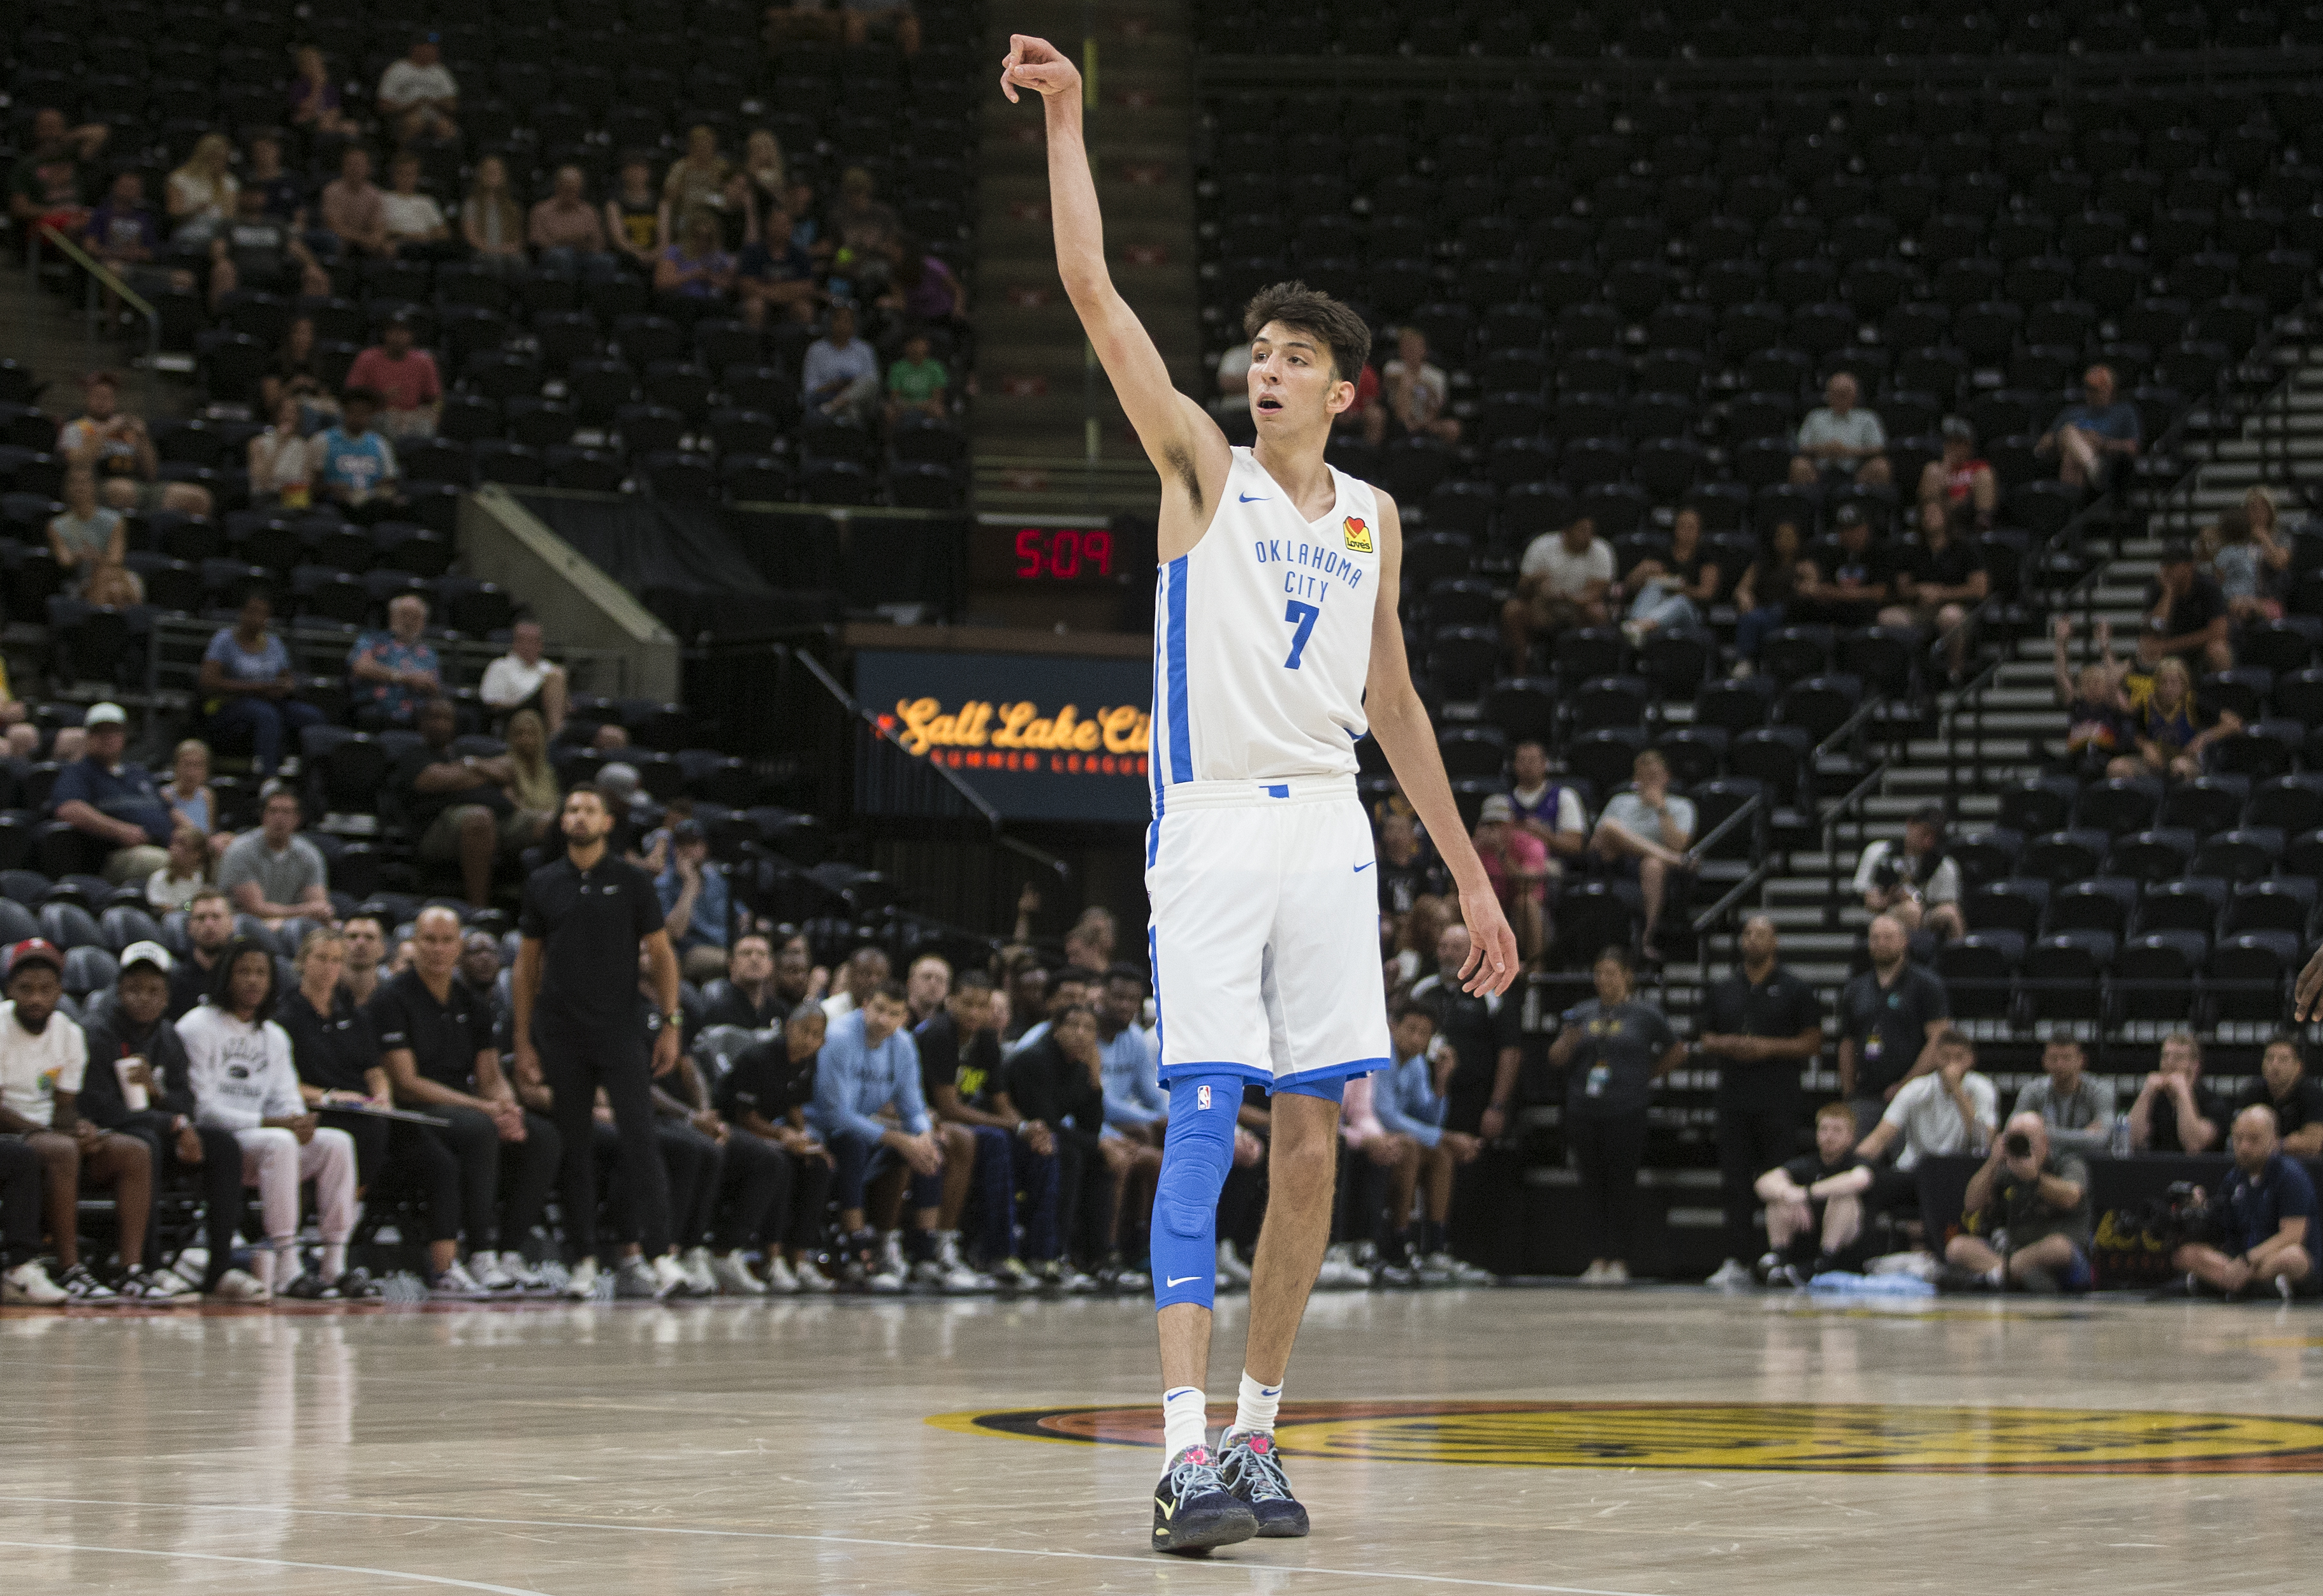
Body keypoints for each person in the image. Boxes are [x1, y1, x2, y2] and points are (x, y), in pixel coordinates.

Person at [1007, 31, 1518, 1557]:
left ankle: (1255, 1432)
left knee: (1311, 1142)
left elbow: (1395, 703)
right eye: (1258, 350)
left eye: (1294, 356)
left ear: (1342, 390)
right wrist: (1071, 116)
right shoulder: (1195, 466)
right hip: (1216, 817)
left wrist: (1473, 876)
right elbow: (1094, 292)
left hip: (1331, 825)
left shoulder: (1371, 519)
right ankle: (1176, 1454)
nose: (1265, 366)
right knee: (1199, 1117)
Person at [512, 784, 689, 1302]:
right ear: (563, 821)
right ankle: (583, 1260)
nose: (579, 817)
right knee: (575, 1147)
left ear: (609, 822)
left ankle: (661, 1258)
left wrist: (671, 1021)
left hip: (620, 1030)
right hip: (561, 1032)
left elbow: (661, 956)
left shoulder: (634, 881)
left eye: (590, 810)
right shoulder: (543, 883)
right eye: (572, 809)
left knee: (641, 1140)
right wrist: (523, 1041)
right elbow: (526, 968)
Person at [372, 906, 560, 1294]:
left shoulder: (471, 1002)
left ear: (458, 946)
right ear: (414, 944)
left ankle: (510, 1252)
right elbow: (406, 1083)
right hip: (415, 1112)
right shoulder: (392, 997)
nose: (438, 949)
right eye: (429, 940)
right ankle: (480, 1253)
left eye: (446, 941)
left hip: (464, 1106)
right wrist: (484, 1109)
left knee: (542, 1136)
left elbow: (490, 1076)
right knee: (479, 1129)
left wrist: (509, 1108)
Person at [179, 935, 367, 1300]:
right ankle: (286, 1264)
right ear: (225, 977)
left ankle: (334, 1263)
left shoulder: (274, 1035)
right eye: (244, 972)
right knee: (280, 1141)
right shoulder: (197, 1026)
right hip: (220, 1144)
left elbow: (286, 1097)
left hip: (266, 1141)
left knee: (337, 1142)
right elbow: (203, 1108)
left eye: (261, 973)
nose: (253, 981)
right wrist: (275, 1125)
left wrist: (299, 1119)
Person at [78, 940, 246, 1297]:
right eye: (135, 988)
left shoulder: (168, 1036)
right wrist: (173, 1123)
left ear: (167, 996)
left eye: (154, 990)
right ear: (119, 991)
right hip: (114, 1138)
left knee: (225, 1147)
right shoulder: (97, 1033)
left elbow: (186, 1100)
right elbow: (100, 1108)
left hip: (163, 1133)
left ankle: (219, 1268)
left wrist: (159, 1096)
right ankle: (149, 1267)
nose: (144, 998)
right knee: (147, 1145)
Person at [0, 938, 156, 1302]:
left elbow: (65, 1105)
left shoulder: (69, 1033)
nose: (36, 998)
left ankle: (129, 1269)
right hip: (11, 1134)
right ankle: (70, 1268)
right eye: (26, 989)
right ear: (10, 990)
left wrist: (81, 1127)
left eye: (45, 989)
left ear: (60, 991)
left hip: (49, 1133)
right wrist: (44, 1131)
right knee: (64, 1151)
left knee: (134, 1151)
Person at [1698, 915, 1826, 1288]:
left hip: (1779, 1098)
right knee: (1735, 1182)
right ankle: (1737, 1259)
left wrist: (1767, 1047)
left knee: (1780, 1179)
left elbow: (1813, 1042)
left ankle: (1781, 1256)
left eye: (1761, 933)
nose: (1752, 939)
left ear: (1776, 941)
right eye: (1747, 933)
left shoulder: (1796, 989)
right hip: (1734, 1098)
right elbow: (1705, 1038)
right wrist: (1732, 1045)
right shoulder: (1724, 988)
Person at [1546, 947, 1683, 1286]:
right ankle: (1596, 1260)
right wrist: (1567, 1040)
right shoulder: (1583, 1013)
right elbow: (1556, 1058)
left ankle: (1620, 1258)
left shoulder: (1644, 1014)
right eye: (1598, 973)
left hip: (1626, 1110)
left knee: (1621, 1186)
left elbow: (1677, 1049)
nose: (1603, 980)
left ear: (1626, 976)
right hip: (1585, 1108)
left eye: (1610, 973)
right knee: (1592, 1186)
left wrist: (1648, 1075)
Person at [919, 969, 1060, 1286]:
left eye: (982, 1006)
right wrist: (1010, 1126)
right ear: (950, 1002)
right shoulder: (940, 1034)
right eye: (967, 1004)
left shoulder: (985, 1040)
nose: (975, 1013)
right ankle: (992, 1252)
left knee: (1045, 1144)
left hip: (966, 1125)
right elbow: (948, 1107)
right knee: (996, 1140)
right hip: (931, 1122)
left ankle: (1042, 1254)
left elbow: (1001, 1102)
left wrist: (1026, 1127)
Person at [808, 980, 947, 1289]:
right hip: (820, 1126)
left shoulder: (904, 1045)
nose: (883, 1020)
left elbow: (913, 1108)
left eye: (893, 1014)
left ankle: (924, 1253)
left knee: (930, 1151)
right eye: (879, 1009)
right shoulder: (840, 1037)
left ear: (904, 1018)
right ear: (865, 1006)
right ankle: (857, 1251)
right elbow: (838, 1115)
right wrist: (900, 1139)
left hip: (866, 1126)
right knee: (853, 1145)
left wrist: (923, 1136)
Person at [1005, 999, 1146, 1284]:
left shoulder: (1080, 1067)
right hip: (1015, 1135)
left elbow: (1090, 1126)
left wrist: (1095, 1079)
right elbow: (1046, 1121)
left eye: (1089, 1028)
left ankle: (1097, 1257)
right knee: (1071, 1154)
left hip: (1048, 1138)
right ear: (1056, 1029)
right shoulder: (1035, 1060)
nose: (1081, 1034)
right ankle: (1051, 1254)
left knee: (1098, 1160)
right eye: (1074, 1026)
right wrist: (1099, 1144)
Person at [714, 1004, 838, 1291]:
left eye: (817, 1035)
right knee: (779, 1161)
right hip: (731, 1127)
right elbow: (745, 1117)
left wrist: (804, 1138)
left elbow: (794, 1105)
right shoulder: (758, 1058)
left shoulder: (808, 1062)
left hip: (767, 1131)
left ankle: (799, 1258)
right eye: (804, 1031)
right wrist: (784, 1136)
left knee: (818, 1164)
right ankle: (766, 1258)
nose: (809, 1040)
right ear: (788, 1028)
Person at [1366, 1000, 1480, 1277]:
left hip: (1401, 1139)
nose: (1417, 1038)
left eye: (1424, 1033)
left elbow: (1429, 1120)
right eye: (1411, 1029)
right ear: (1394, 1028)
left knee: (1440, 1155)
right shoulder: (1382, 1057)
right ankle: (1398, 1244)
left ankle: (1435, 1248)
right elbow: (1387, 1116)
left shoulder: (1417, 1063)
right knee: (1412, 1148)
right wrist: (1445, 1136)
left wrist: (1442, 1082)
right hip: (1369, 1134)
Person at [393, 699, 532, 908]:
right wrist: (484, 773)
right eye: (434, 717)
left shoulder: (464, 754)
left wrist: (471, 765)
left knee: (551, 822)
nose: (440, 723)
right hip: (437, 829)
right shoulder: (413, 755)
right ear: (421, 723)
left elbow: (507, 770)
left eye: (446, 718)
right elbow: (435, 779)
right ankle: (479, 911)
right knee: (479, 819)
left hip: (499, 817)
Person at [2168, 1104, 2315, 1300]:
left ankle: (2230, 1284)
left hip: (2268, 1257)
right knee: (2186, 1255)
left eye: (2253, 1139)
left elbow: (2292, 1235)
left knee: (2294, 1257)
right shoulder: (2233, 1179)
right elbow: (2220, 1232)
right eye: (2239, 1138)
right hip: (2238, 1261)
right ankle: (2257, 1286)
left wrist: (2249, 1260)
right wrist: (2200, 1207)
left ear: (2272, 1140)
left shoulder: (2291, 1175)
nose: (2244, 1147)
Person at [1942, 1112, 2094, 1293]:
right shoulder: (2007, 1168)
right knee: (1957, 1247)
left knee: (2058, 1247)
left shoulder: (2067, 1162)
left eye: (2026, 1141)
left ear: (2045, 1143)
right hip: (2011, 1250)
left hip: (2062, 1255)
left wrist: (2035, 1178)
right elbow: (1971, 1205)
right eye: (2015, 1140)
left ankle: (1998, 1274)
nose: (2021, 1147)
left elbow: (2071, 1197)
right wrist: (1993, 1162)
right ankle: (2019, 1276)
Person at [1835, 913, 1952, 1135]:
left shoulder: (1927, 984)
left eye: (1888, 937)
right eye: (1875, 938)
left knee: (1907, 1165)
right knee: (1861, 1160)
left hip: (1915, 1094)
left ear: (1904, 940)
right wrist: (1849, 1092)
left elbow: (1939, 1039)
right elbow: (1847, 1043)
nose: (1881, 944)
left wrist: (1906, 1084)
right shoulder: (1856, 989)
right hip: (1866, 1094)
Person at [199, 589, 324, 778]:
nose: (256, 618)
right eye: (252, 611)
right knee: (266, 715)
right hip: (230, 705)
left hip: (270, 700)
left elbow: (286, 677)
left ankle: (309, 775)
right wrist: (258, 688)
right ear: (242, 613)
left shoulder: (275, 644)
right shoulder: (224, 640)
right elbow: (208, 681)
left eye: (262, 613)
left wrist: (286, 686)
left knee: (313, 716)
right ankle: (269, 777)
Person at [1854, 1031, 1997, 1190]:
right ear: (1936, 1057)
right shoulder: (1916, 1089)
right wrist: (1852, 1164)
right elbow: (1881, 1138)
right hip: (1915, 1170)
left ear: (1971, 1059)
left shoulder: (1983, 1089)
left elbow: (1984, 1140)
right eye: (1946, 1057)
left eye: (1959, 1057)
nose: (1952, 1064)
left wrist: (1957, 1090)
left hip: (1959, 1171)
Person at [1751, 1103, 1875, 1286]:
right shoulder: (1807, 1163)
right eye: (1824, 1129)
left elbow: (1860, 1180)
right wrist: (1788, 1194)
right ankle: (1780, 1259)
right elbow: (1764, 1183)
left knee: (1843, 1198)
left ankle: (1825, 1262)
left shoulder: (1858, 1162)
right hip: (1807, 1235)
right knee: (1779, 1197)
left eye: (1837, 1130)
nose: (1829, 1136)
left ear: (1850, 1137)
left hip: (1848, 1243)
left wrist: (1806, 1194)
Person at [58, 372, 213, 518]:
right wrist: (105, 432)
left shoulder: (127, 429)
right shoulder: (76, 428)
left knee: (199, 498)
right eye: (97, 396)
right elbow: (76, 464)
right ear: (86, 398)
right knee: (121, 490)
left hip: (138, 487)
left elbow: (151, 474)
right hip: (99, 487)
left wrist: (143, 437)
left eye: (107, 397)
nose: (102, 401)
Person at [49, 702, 173, 883]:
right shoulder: (79, 772)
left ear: (123, 736)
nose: (108, 737)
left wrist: (193, 832)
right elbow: (69, 809)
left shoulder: (139, 773)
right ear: (88, 736)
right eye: (100, 731)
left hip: (166, 845)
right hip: (116, 855)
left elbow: (169, 809)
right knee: (163, 862)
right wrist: (120, 830)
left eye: (114, 731)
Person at [1590, 748, 1695, 962]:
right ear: (1635, 779)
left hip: (1660, 870)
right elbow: (1597, 842)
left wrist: (1661, 809)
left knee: (1653, 864)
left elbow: (1678, 847)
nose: (1648, 782)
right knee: (1610, 826)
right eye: (1643, 777)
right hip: (1617, 863)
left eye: (1654, 777)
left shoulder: (1681, 806)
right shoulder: (1621, 801)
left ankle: (1647, 936)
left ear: (1667, 778)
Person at [1882, 500, 1988, 681]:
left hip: (1958, 608)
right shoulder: (1914, 550)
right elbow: (1902, 589)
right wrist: (1919, 590)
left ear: (1946, 518)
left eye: (1934, 514)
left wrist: (1941, 593)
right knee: (1888, 617)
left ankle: (1954, 674)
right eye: (1926, 514)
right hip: (1922, 609)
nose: (1929, 518)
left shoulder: (1964, 548)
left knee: (1950, 616)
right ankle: (1904, 675)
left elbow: (1979, 589)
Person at [1502, 516, 1614, 670]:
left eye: (1591, 531)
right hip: (1543, 608)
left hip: (1578, 609)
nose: (1589, 536)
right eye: (1582, 530)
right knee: (1513, 610)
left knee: (1598, 612)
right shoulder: (1541, 546)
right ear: (1566, 532)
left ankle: (1593, 672)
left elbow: (1597, 593)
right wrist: (1535, 582)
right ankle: (1520, 671)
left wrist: (1569, 599)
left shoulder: (1601, 550)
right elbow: (1522, 590)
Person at [218, 788, 331, 928]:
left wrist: (314, 912)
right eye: (273, 811)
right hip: (243, 925)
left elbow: (318, 904)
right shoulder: (241, 850)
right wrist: (305, 911)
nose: (279, 818)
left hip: (289, 927)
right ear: (263, 817)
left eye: (286, 812)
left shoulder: (309, 854)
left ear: (298, 819)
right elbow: (255, 909)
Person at [1851, 803, 1964, 943]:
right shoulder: (1879, 852)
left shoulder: (1944, 865)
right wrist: (1888, 900)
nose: (1928, 841)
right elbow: (1869, 899)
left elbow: (1946, 903)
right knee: (1912, 910)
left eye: (1934, 837)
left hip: (1926, 915)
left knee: (1951, 913)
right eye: (1925, 832)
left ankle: (1960, 959)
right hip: (1887, 915)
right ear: (1911, 824)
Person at [2051, 616, 2139, 781]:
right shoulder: (2078, 705)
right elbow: (2062, 678)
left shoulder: (2111, 704)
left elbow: (2113, 680)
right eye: (2087, 684)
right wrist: (2061, 643)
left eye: (2097, 683)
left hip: (2106, 760)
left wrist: (2104, 645)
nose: (2092, 687)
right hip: (2078, 761)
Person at [2123, 656, 2237, 781]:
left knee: (2179, 767)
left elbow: (2233, 723)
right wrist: (2146, 746)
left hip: (2188, 761)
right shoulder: (2148, 704)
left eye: (2174, 682)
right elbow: (2137, 734)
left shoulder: (2192, 703)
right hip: (2157, 763)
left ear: (2185, 684)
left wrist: (2204, 738)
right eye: (2163, 682)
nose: (2168, 688)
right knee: (2118, 767)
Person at [1620, 507, 1719, 646]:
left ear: (1699, 531)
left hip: (1691, 614)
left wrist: (1683, 589)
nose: (1686, 532)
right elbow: (1629, 585)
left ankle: (1641, 627)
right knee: (1653, 586)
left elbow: (1707, 593)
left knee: (1680, 601)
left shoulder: (1706, 559)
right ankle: (1636, 627)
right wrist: (1642, 571)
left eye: (1691, 528)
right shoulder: (1662, 553)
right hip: (1658, 609)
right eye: (1682, 526)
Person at [8, 105, 108, 238]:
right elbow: (19, 208)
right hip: (45, 222)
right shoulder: (26, 166)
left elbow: (100, 132)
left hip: (79, 216)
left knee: (109, 220)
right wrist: (55, 212)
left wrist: (66, 137)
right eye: (45, 128)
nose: (50, 133)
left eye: (55, 127)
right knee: (76, 226)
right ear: (36, 131)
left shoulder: (73, 156)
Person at [1469, 795, 1547, 961]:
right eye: (1489, 824)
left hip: (1523, 912)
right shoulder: (1477, 848)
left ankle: (1535, 972)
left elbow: (1527, 886)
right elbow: (1457, 887)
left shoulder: (1530, 844)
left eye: (1500, 824)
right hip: (1490, 909)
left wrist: (1502, 854)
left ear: (1512, 823)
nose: (1494, 830)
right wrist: (1471, 852)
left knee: (1525, 903)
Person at [2037, 363, 2139, 490]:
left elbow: (2133, 448)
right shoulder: (2072, 412)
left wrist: (2102, 443)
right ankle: (2093, 466)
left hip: (2109, 464)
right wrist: (2070, 439)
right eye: (2088, 388)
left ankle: (2070, 504)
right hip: (2089, 468)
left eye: (2096, 389)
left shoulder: (2123, 412)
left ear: (2110, 389)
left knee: (2072, 454)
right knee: (2069, 434)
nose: (2090, 393)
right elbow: (2042, 446)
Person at [2137, 539, 2233, 674]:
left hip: (2198, 648)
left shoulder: (2208, 587)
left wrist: (2168, 646)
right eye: (2165, 565)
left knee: (2218, 650)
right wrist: (2168, 595)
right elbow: (2155, 628)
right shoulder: (2157, 589)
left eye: (2173, 565)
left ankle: (2219, 691)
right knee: (2148, 652)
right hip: (2171, 648)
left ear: (2189, 566)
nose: (2167, 570)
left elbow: (2218, 632)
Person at [311, 389, 406, 524]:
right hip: (336, 507)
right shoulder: (323, 440)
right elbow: (313, 485)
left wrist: (377, 490)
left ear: (370, 415)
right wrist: (331, 488)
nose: (358, 417)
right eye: (353, 412)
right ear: (344, 412)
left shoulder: (380, 444)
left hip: (372, 507)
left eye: (363, 413)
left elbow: (390, 481)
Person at [47, 466, 139, 604]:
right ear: (67, 488)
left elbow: (116, 560)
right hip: (82, 580)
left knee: (111, 581)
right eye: (74, 482)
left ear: (95, 486)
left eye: (85, 482)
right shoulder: (56, 526)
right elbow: (65, 560)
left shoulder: (115, 520)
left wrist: (96, 557)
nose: (80, 487)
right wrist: (80, 556)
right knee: (110, 587)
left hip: (117, 575)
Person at [2013, 1038, 2117, 1158]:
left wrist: (2039, 1133)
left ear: (2081, 1061)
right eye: (2054, 1058)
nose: (2060, 1065)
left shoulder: (2100, 1090)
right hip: (2042, 1160)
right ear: (2044, 1061)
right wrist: (2086, 1135)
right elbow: (2014, 1133)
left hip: (2088, 1161)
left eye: (2067, 1058)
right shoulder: (2032, 1091)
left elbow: (2103, 1138)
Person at [345, 313, 444, 440]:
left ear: (411, 335)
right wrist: (380, 397)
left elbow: (436, 399)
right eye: (393, 331)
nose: (398, 336)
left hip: (411, 417)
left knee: (425, 427)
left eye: (403, 332)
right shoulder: (367, 358)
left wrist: (433, 413)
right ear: (385, 334)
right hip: (378, 415)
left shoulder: (424, 361)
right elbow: (352, 396)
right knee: (387, 425)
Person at [1792, 503, 1891, 628]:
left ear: (1865, 528)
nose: (1848, 534)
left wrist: (1841, 594)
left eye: (1853, 529)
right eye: (1843, 529)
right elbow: (1825, 588)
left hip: (1867, 614)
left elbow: (1880, 593)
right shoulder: (1835, 553)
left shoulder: (1880, 552)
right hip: (1839, 612)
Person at [655, 820, 731, 983]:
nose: (687, 850)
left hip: (725, 946)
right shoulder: (663, 885)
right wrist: (690, 884)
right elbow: (675, 932)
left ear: (704, 848)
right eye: (681, 844)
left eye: (693, 844)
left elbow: (742, 915)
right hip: (690, 952)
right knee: (739, 962)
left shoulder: (716, 880)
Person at [348, 592, 441, 727]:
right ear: (393, 616)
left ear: (423, 623)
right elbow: (361, 667)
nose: (408, 621)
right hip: (374, 712)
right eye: (404, 614)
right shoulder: (372, 639)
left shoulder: (429, 653)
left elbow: (435, 687)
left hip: (416, 718)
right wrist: (403, 677)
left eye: (415, 617)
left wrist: (428, 684)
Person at [1504, 739, 1589, 883]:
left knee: (1532, 872)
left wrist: (1544, 835)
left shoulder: (1564, 797)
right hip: (1511, 862)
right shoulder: (1504, 802)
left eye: (1532, 760)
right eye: (1522, 761)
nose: (1527, 766)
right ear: (1514, 766)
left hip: (1550, 862)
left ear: (1545, 764)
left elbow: (1575, 846)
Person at [1788, 370, 1890, 489]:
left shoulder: (1867, 417)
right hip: (1819, 470)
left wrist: (1849, 451)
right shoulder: (1815, 416)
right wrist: (1824, 450)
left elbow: (1879, 448)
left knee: (1881, 466)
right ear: (1828, 395)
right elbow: (1802, 446)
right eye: (1836, 393)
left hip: (1857, 471)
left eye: (1845, 394)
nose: (1840, 398)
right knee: (1798, 464)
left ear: (1855, 395)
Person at [1730, 518, 1805, 675]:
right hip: (1763, 611)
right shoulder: (1762, 564)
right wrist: (1745, 596)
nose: (1783, 541)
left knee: (1773, 612)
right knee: (1750, 616)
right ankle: (1746, 661)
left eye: (1788, 536)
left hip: (1791, 613)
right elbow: (1742, 588)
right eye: (1780, 536)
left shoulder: (1804, 565)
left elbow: (1810, 589)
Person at [2236, 1036, 2323, 1159]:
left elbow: (2313, 1143)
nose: (2275, 1065)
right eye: (2270, 1059)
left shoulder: (2313, 1094)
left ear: (2298, 1067)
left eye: (2283, 1060)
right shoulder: (2252, 1093)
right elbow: (2239, 1138)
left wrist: (2275, 1144)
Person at [479, 619, 569, 736]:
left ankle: (556, 736)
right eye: (524, 640)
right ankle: (556, 737)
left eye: (534, 641)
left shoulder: (547, 667)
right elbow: (492, 702)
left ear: (541, 644)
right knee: (555, 677)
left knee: (558, 673)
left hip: (543, 714)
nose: (529, 646)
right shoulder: (501, 666)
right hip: (515, 714)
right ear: (515, 643)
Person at [803, 302, 881, 424]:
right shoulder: (816, 349)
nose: (843, 325)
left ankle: (835, 405)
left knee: (869, 383)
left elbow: (873, 382)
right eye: (838, 319)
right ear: (830, 322)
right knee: (851, 410)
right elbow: (810, 388)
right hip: (826, 397)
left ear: (855, 324)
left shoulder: (865, 349)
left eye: (848, 320)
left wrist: (850, 386)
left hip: (860, 398)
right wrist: (833, 386)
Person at [529, 165, 615, 276]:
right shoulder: (541, 210)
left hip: (584, 254)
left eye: (574, 187)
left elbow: (599, 243)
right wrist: (566, 240)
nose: (571, 191)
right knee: (562, 256)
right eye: (567, 187)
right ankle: (566, 293)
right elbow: (537, 242)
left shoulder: (589, 211)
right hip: (554, 256)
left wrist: (583, 244)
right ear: (557, 186)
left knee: (606, 261)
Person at [1380, 325, 1459, 446]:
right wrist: (1417, 382)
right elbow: (1390, 379)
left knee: (1452, 427)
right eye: (1406, 346)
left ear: (1424, 350)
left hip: (1427, 422)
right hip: (1397, 420)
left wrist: (1422, 424)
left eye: (1415, 346)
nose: (1411, 351)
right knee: (1406, 382)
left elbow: (1437, 405)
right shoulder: (1392, 367)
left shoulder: (1436, 375)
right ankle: (1405, 428)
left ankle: (1445, 461)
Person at [378, 32, 460, 146]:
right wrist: (412, 106)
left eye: (435, 48)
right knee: (415, 123)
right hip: (403, 117)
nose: (434, 51)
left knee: (447, 128)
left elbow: (453, 105)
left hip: (434, 116)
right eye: (429, 47)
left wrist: (432, 102)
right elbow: (384, 105)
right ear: (416, 48)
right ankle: (405, 158)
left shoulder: (440, 71)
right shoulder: (397, 69)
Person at [1918, 416, 1997, 530]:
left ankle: (1982, 531)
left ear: (1970, 444)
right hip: (1943, 515)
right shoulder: (1939, 468)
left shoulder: (1979, 467)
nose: (1954, 447)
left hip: (1969, 513)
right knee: (1931, 470)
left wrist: (1959, 503)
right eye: (1950, 442)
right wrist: (1947, 464)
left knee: (1986, 475)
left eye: (1959, 442)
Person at [168, 890, 237, 1020]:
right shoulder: (175, 983)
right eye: (201, 918)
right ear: (189, 927)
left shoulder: (242, 978)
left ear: (231, 923)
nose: (209, 924)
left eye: (216, 917)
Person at [702, 933, 788, 1031]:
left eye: (762, 954)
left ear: (771, 965)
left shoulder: (779, 1011)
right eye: (746, 953)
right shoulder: (716, 1006)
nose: (754, 959)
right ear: (731, 964)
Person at [319, 146, 393, 259]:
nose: (355, 169)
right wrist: (365, 239)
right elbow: (334, 227)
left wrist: (375, 240)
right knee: (337, 242)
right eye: (351, 164)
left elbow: (379, 227)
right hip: (341, 240)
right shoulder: (332, 190)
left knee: (387, 248)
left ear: (368, 169)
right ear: (343, 167)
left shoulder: (374, 194)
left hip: (365, 242)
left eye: (359, 165)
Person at [247, 393, 317, 507]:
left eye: (293, 412)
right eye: (284, 411)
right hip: (266, 499)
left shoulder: (306, 447)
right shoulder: (258, 443)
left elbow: (306, 484)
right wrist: (280, 444)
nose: (288, 416)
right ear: (276, 414)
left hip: (294, 501)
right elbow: (261, 483)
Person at [654, 210, 736, 304]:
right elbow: (661, 283)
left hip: (710, 303)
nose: (702, 242)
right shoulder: (675, 252)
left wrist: (710, 277)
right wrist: (693, 274)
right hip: (681, 302)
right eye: (698, 236)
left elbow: (731, 285)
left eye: (708, 238)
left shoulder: (719, 256)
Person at [462, 154, 527, 272]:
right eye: (489, 171)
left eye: (497, 171)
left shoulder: (512, 207)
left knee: (520, 261)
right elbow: (472, 238)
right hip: (483, 252)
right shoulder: (472, 204)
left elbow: (518, 239)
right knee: (495, 261)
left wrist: (509, 249)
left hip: (507, 252)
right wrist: (495, 250)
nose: (493, 174)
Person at [605, 156, 664, 273]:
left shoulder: (661, 203)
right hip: (626, 257)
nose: (636, 175)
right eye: (632, 170)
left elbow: (664, 240)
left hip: (655, 256)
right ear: (624, 174)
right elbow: (619, 240)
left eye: (640, 170)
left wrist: (654, 254)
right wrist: (639, 254)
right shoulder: (614, 204)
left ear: (648, 173)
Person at [159, 737, 222, 846]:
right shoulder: (164, 796)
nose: (191, 773)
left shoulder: (207, 795)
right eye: (186, 765)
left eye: (198, 766)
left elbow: (210, 833)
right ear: (176, 767)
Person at [287, 45, 354, 140]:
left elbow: (336, 110)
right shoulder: (299, 86)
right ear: (303, 67)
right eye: (311, 63)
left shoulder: (330, 88)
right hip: (307, 126)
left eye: (318, 62)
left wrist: (331, 121)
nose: (316, 67)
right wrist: (317, 86)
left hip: (328, 123)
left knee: (352, 127)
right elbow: (305, 110)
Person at [886, 331, 949, 423]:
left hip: (928, 406)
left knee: (938, 411)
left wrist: (924, 406)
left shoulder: (936, 367)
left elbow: (938, 398)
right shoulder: (897, 368)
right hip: (904, 406)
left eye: (920, 343)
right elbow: (894, 398)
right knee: (890, 413)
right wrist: (912, 406)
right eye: (913, 343)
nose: (916, 347)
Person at [149, 823, 212, 914]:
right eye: (173, 843)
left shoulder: (200, 879)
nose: (174, 849)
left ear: (197, 854)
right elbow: (161, 909)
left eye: (181, 845)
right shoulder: (160, 878)